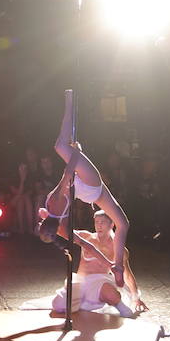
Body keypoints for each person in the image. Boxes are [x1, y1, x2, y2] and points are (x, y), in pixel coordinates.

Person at [42, 90, 133, 290]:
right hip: (84, 184)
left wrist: (109, 264)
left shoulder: (63, 231)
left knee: (123, 224)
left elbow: (88, 246)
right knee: (60, 146)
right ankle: (69, 100)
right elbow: (67, 173)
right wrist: (77, 152)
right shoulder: (50, 205)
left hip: (87, 192)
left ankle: (118, 266)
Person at [50, 209, 145, 318]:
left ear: (111, 225)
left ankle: (120, 306)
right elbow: (64, 231)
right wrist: (49, 221)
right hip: (81, 281)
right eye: (97, 222)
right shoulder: (86, 237)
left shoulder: (119, 249)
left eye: (102, 222)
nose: (99, 226)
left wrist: (136, 298)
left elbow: (127, 274)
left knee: (111, 294)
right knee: (57, 305)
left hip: (101, 281)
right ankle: (79, 302)